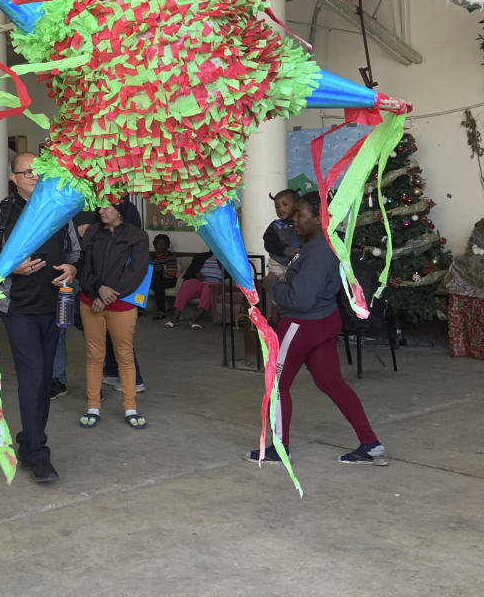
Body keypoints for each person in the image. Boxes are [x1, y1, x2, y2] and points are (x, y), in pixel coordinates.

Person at [246, 192, 389, 466]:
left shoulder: (317, 252)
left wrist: (273, 286)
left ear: (320, 218)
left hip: (302, 325)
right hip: (324, 322)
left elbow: (301, 300)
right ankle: (370, 444)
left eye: (301, 214)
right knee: (332, 383)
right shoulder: (325, 244)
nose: (295, 219)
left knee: (276, 385)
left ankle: (278, 449)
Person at [0, 153, 79, 481]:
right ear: (14, 178)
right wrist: (11, 268)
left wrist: (73, 268)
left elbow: (76, 251)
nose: (35, 176)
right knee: (33, 377)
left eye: (40, 171)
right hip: (17, 309)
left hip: (54, 306)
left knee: (43, 379)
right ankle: (37, 453)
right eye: (28, 172)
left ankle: (29, 440)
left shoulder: (60, 209)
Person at [77, 203, 149, 430]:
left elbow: (136, 271)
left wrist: (107, 295)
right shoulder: (92, 232)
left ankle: (130, 407)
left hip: (121, 305)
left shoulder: (137, 236)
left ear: (120, 211)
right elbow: (83, 266)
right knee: (94, 354)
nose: (101, 212)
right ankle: (92, 406)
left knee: (124, 355)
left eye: (107, 208)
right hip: (90, 300)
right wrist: (98, 289)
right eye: (100, 208)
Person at [163, 252, 223, 329]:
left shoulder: (225, 258)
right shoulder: (202, 256)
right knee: (187, 284)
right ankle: (174, 320)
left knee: (209, 288)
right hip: (200, 281)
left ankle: (194, 321)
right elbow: (190, 271)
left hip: (215, 284)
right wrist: (196, 274)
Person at [264, 188, 304, 278]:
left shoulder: (303, 224)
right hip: (278, 264)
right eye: (277, 207)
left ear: (297, 204)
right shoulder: (276, 225)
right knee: (277, 285)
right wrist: (286, 251)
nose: (281, 209)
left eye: (285, 205)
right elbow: (269, 244)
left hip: (298, 264)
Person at [150, 234, 181, 319]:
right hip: (154, 278)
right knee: (142, 282)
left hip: (170, 279)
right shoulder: (152, 256)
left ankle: (161, 311)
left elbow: (171, 274)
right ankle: (140, 308)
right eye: (158, 243)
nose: (160, 246)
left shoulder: (170, 257)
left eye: (163, 243)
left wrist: (157, 272)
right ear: (154, 244)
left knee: (158, 284)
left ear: (167, 246)